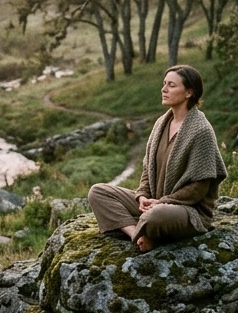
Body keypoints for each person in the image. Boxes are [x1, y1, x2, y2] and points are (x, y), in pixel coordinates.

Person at [88, 64, 227, 252]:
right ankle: (137, 234)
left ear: (188, 93)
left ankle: (147, 225)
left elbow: (198, 188)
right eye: (164, 84)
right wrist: (142, 196)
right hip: (155, 202)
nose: (164, 89)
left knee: (156, 216)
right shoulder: (161, 123)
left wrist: (161, 203)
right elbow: (147, 170)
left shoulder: (201, 131)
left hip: (186, 211)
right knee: (98, 192)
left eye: (171, 85)